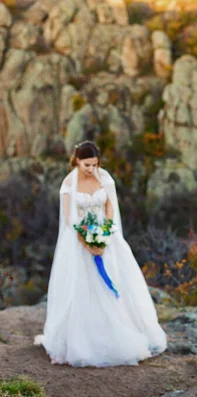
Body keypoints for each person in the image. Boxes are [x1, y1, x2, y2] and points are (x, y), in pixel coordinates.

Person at [36, 141, 167, 367]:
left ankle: (122, 332)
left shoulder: (104, 178)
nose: (91, 169)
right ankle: (84, 340)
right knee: (82, 288)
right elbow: (68, 216)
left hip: (106, 237)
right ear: (77, 160)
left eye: (95, 164)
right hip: (79, 239)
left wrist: (104, 233)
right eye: (87, 164)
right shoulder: (69, 183)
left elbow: (110, 207)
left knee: (117, 282)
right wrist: (85, 238)